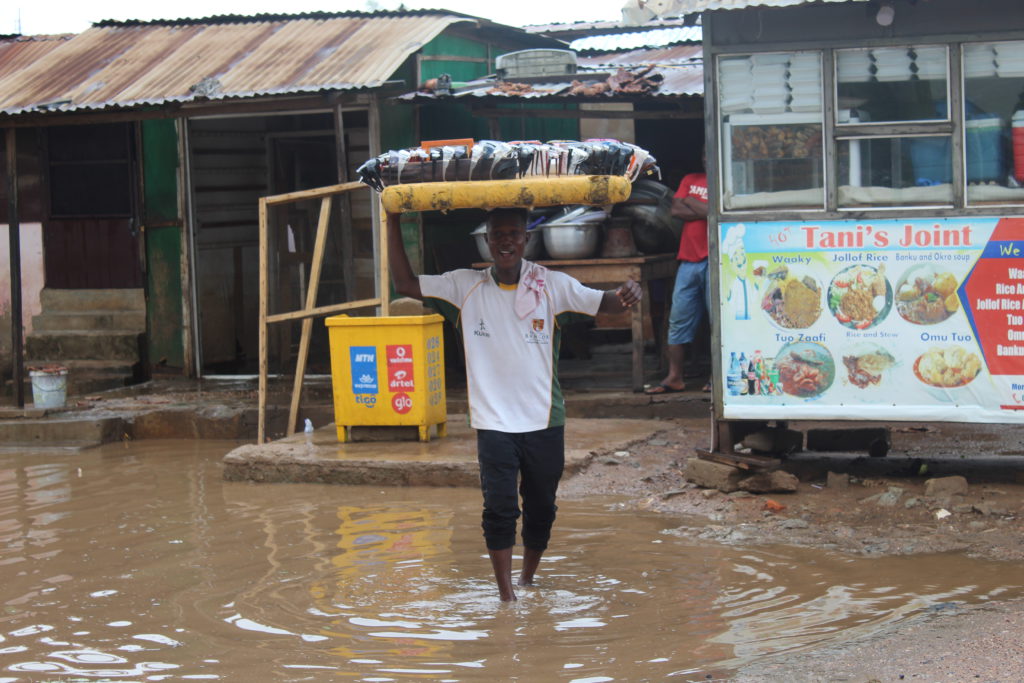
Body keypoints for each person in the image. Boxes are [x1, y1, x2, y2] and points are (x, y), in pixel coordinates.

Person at [387, 208, 641, 602]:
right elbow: (403, 281)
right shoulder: (463, 287)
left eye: (514, 234)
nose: (506, 241)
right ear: (487, 241)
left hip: (543, 420)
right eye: (498, 235)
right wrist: (392, 221)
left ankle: (527, 580)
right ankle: (506, 597)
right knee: (499, 509)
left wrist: (626, 294)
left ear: (526, 240)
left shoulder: (551, 286)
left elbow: (605, 303)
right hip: (493, 423)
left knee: (542, 508)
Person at [645, 150, 709, 394]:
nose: (705, 158)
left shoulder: (726, 181)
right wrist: (702, 207)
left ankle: (717, 379)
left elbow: (715, 213)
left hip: (715, 260)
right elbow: (675, 210)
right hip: (688, 261)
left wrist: (691, 203)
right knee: (678, 320)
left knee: (719, 322)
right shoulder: (689, 179)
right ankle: (674, 377)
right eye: (703, 154)